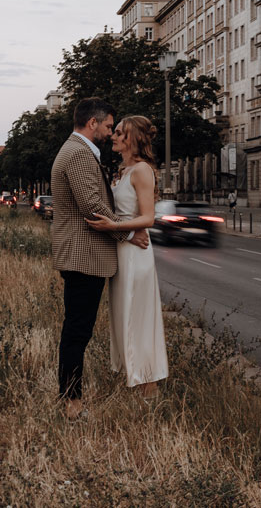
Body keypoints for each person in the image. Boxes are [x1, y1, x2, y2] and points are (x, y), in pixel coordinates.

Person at [50, 98, 149, 420]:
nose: (110, 131)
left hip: (86, 255)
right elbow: (92, 207)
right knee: (78, 330)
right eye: (108, 125)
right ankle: (71, 402)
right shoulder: (78, 153)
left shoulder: (79, 151)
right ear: (93, 123)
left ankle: (71, 397)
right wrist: (128, 234)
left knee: (78, 329)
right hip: (84, 255)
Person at [86, 115, 169, 399]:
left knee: (139, 317)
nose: (114, 136)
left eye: (119, 132)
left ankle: (150, 387)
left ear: (131, 138)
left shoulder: (142, 171)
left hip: (136, 255)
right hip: (123, 252)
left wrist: (115, 227)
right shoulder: (123, 170)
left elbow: (148, 218)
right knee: (125, 315)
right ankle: (136, 379)